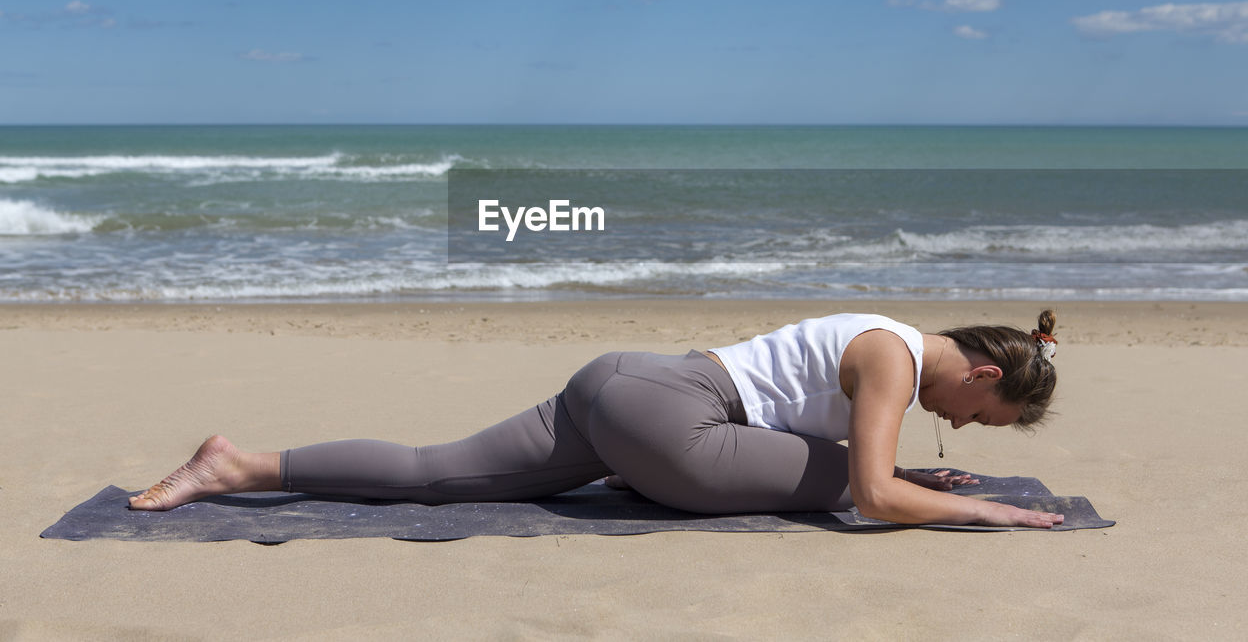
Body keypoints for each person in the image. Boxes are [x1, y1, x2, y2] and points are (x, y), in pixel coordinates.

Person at [129, 310, 1064, 528]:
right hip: (677, 424)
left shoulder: (881, 339)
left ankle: (236, 464)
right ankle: (638, 472)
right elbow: (869, 490)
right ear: (983, 370)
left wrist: (902, 476)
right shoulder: (894, 360)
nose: (972, 425)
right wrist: (995, 512)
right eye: (988, 413)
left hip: (620, 381)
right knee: (843, 482)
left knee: (430, 472)